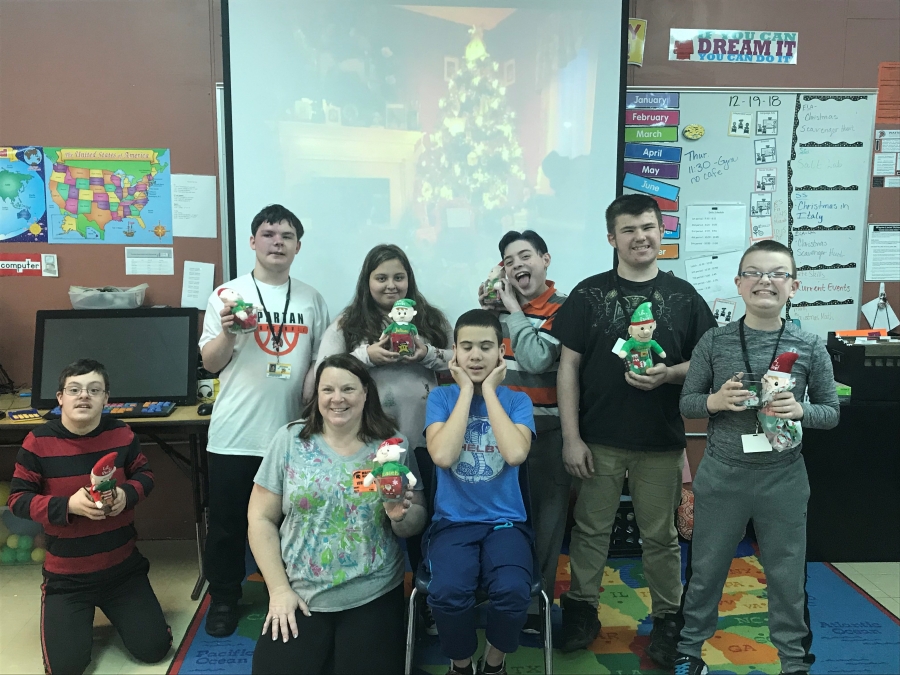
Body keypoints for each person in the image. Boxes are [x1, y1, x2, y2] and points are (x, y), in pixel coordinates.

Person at [550, 193, 716, 666]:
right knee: (589, 530)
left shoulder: (685, 298)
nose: (639, 236)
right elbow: (568, 369)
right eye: (628, 229)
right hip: (596, 438)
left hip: (660, 441)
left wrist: (668, 374)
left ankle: (668, 618)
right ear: (612, 238)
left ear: (661, 232)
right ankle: (582, 610)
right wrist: (570, 436)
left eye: (647, 227)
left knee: (660, 536)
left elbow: (705, 364)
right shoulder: (587, 294)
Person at [674, 241, 840, 675]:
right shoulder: (715, 339)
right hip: (722, 475)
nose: (765, 280)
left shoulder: (809, 345)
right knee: (706, 571)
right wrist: (714, 402)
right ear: (738, 283)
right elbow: (687, 402)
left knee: (787, 577)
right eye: (754, 272)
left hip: (784, 477)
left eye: (777, 273)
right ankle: (689, 652)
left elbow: (832, 412)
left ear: (794, 286)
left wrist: (802, 410)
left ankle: (794, 662)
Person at [248, 354, 427, 675]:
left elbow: (414, 524)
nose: (337, 399)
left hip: (372, 591)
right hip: (300, 592)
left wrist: (400, 515)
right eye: (327, 390)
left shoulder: (393, 446)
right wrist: (278, 591)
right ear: (316, 395)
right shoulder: (289, 440)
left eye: (348, 389)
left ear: (365, 393)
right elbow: (260, 518)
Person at [200, 204, 330, 637]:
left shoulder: (312, 299)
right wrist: (227, 334)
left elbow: (319, 366)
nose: (278, 242)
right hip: (235, 434)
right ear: (253, 242)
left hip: (292, 436)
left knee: (296, 521)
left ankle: (294, 590)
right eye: (269, 234)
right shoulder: (227, 295)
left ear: (298, 246)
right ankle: (223, 599)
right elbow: (211, 363)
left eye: (287, 236)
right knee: (227, 525)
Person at [7, 359, 170, 674]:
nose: (84, 396)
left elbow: (146, 475)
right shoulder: (38, 441)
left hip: (123, 571)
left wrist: (128, 493)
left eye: (94, 390)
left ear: (106, 399)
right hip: (67, 578)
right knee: (66, 668)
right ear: (60, 398)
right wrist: (67, 506)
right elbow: (17, 500)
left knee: (155, 650)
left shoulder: (122, 434)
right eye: (74, 390)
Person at [424, 309, 536, 675]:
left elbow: (516, 454)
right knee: (447, 593)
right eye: (467, 347)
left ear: (500, 352)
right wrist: (465, 392)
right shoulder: (441, 398)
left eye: (486, 347)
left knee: (513, 591)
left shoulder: (517, 401)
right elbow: (441, 455)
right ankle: (460, 666)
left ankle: (493, 664)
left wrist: (487, 391)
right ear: (454, 352)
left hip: (505, 523)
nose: (476, 355)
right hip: (454, 523)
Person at [478, 229, 569, 634]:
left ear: (545, 260)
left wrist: (513, 308)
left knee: (547, 522)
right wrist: (499, 307)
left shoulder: (564, 308)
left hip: (547, 433)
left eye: (525, 256)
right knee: (501, 519)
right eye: (509, 260)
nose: (518, 265)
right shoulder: (495, 312)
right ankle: (500, 593)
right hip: (499, 433)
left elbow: (533, 357)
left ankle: (536, 608)